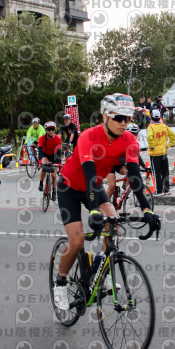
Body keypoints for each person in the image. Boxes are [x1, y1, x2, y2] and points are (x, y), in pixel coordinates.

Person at [53, 93, 160, 311]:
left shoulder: (129, 140)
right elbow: (90, 175)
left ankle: (104, 269)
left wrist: (147, 209)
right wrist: (93, 210)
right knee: (77, 242)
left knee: (113, 222)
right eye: (118, 117)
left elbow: (134, 177)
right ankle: (61, 283)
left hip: (93, 187)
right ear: (105, 116)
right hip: (70, 187)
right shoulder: (88, 136)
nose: (124, 123)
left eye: (128, 118)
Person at [105, 123, 149, 200]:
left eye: (136, 134)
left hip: (119, 164)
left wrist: (145, 167)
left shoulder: (134, 143)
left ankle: (123, 188)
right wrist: (126, 163)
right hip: (109, 163)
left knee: (131, 171)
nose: (135, 136)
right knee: (112, 185)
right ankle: (105, 203)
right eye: (133, 134)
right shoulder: (120, 141)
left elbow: (137, 156)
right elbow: (118, 155)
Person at [147, 109, 175, 196]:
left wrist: (152, 146)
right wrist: (169, 145)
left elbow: (149, 137)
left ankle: (159, 191)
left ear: (152, 117)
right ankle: (167, 189)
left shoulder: (150, 127)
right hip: (164, 152)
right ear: (160, 117)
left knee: (157, 172)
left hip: (155, 153)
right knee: (165, 171)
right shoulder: (164, 126)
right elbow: (173, 135)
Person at [37, 121, 63, 201]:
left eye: (53, 129)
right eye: (49, 129)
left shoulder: (58, 139)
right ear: (46, 130)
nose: (51, 131)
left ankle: (54, 191)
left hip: (55, 156)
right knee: (44, 168)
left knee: (54, 175)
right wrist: (40, 161)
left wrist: (58, 163)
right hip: (46, 155)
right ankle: (41, 183)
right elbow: (40, 150)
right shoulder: (42, 138)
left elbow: (59, 152)